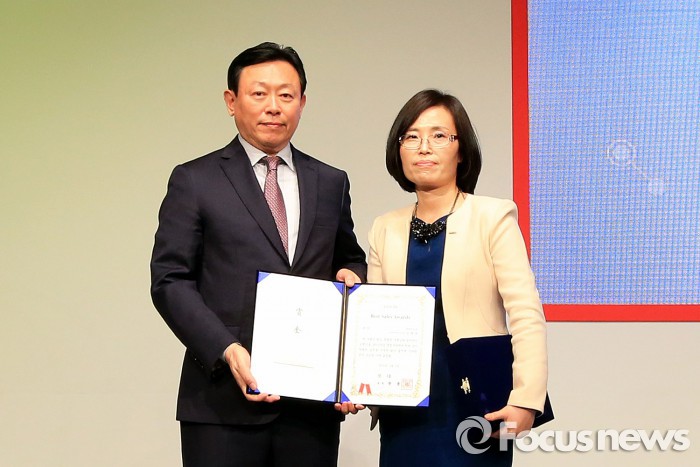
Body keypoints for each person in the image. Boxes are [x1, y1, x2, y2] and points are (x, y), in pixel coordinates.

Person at [150, 42, 367, 467]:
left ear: (302, 103)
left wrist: (351, 276)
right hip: (221, 403)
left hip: (311, 409)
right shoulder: (195, 180)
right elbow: (170, 280)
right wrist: (227, 349)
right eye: (259, 93)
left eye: (286, 95)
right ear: (231, 101)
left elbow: (349, 257)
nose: (273, 106)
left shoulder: (331, 181)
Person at [368, 89, 548, 466]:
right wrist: (355, 383)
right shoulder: (384, 228)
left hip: (476, 404)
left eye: (439, 136)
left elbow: (526, 313)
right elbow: (373, 326)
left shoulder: (493, 217)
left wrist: (525, 399)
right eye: (411, 137)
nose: (424, 147)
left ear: (461, 150)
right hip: (405, 410)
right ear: (398, 150)